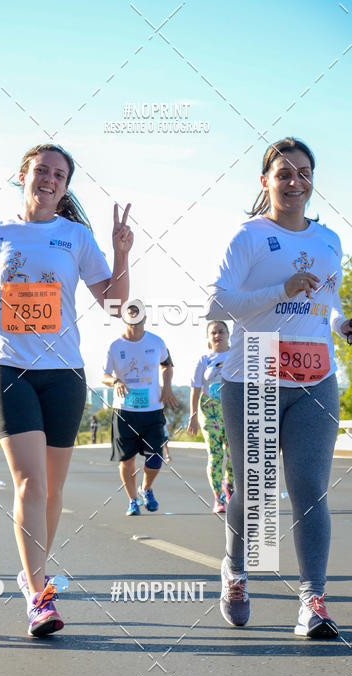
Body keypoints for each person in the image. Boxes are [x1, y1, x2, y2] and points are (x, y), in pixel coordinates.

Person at [0, 142, 133, 636]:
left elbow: (115, 305)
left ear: (65, 187)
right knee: (30, 482)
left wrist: (121, 253)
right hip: (8, 369)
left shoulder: (76, 236)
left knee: (51, 489)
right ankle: (38, 594)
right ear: (22, 175)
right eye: (41, 171)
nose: (49, 179)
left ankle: (34, 576)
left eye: (59, 175)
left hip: (65, 373)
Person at [206, 137, 352, 639]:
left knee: (310, 489)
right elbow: (217, 303)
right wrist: (279, 290)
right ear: (265, 181)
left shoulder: (329, 240)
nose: (295, 182)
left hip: (316, 375)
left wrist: (342, 325)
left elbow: (326, 302)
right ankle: (235, 569)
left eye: (303, 173)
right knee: (258, 490)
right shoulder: (248, 236)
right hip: (256, 369)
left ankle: (313, 602)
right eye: (284, 173)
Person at [102, 302, 177, 515]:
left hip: (152, 409)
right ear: (124, 318)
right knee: (127, 460)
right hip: (124, 411)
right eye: (130, 313)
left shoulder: (156, 342)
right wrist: (116, 381)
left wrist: (167, 387)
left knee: (155, 458)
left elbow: (167, 365)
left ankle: (146, 488)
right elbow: (104, 375)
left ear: (144, 317)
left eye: (138, 313)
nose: (134, 317)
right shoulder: (114, 346)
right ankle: (132, 500)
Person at [188, 320, 234, 514]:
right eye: (213, 333)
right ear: (208, 337)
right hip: (210, 411)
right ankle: (218, 497)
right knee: (215, 455)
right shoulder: (204, 359)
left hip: (232, 410)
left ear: (228, 334)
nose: (217, 335)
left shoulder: (236, 355)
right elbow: (195, 388)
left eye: (221, 331)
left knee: (233, 455)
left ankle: (229, 486)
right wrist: (193, 416)